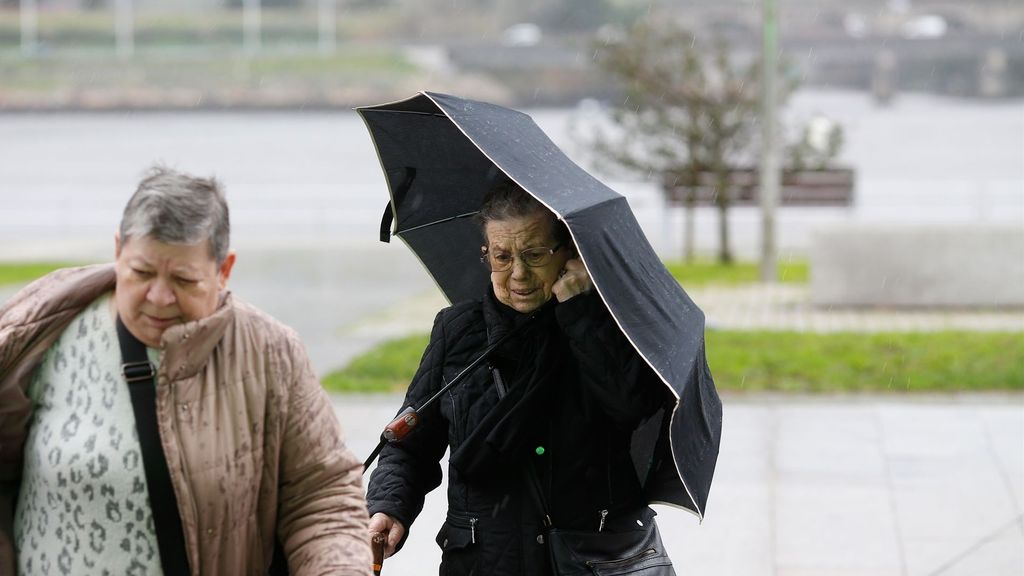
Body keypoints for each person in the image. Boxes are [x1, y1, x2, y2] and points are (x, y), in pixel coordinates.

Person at [0, 166, 372, 575]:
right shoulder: (40, 330)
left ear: (224, 270)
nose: (159, 297)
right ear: (118, 250)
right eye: (141, 272)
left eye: (183, 279)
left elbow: (322, 497)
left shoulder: (271, 353)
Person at [366, 177, 674, 575]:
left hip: (590, 560)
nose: (519, 274)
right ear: (486, 254)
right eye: (502, 256)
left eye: (534, 254)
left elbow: (632, 405)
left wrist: (580, 312)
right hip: (485, 560)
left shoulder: (611, 322)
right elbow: (410, 442)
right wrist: (389, 506)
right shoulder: (458, 330)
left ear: (567, 253)